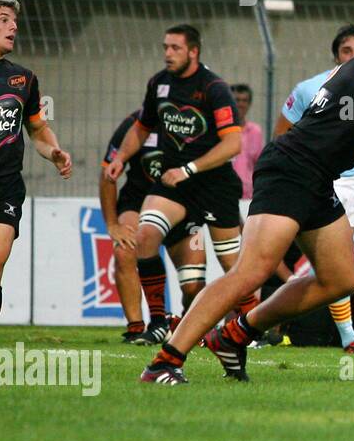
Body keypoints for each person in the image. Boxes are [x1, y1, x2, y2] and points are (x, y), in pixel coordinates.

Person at [140, 9, 354, 385]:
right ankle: (164, 362)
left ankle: (235, 335)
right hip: (291, 171)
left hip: (315, 178)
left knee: (341, 278)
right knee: (251, 271)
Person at [103, 25, 249, 345]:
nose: (167, 54)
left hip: (214, 186)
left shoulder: (214, 88)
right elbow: (141, 127)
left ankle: (249, 327)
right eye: (165, 47)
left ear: (193, 51)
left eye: (175, 48)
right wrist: (121, 157)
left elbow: (233, 144)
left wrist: (189, 168)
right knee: (144, 236)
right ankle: (157, 322)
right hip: (175, 185)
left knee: (233, 266)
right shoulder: (159, 84)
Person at [276, 24, 354, 352]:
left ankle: (346, 334)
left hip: (347, 182)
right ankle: (257, 325)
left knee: (342, 260)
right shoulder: (309, 88)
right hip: (307, 176)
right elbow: (281, 134)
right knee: (309, 260)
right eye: (347, 51)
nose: (353, 56)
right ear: (336, 55)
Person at [101, 108, 207, 343]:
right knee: (124, 250)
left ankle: (181, 325)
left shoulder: (197, 123)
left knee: (193, 284)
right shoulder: (134, 124)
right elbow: (107, 173)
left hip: (184, 206)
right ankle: (136, 329)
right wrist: (112, 224)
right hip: (137, 204)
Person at [0, 0, 73, 320]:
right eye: (4, 19)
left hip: (6, 184)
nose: (13, 26)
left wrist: (53, 152)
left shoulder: (23, 79)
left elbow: (38, 129)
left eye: (14, 21)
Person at [230, 84, 262, 200]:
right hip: (225, 193)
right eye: (237, 100)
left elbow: (259, 165)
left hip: (248, 196)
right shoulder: (220, 131)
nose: (241, 104)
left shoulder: (255, 132)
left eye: (244, 101)